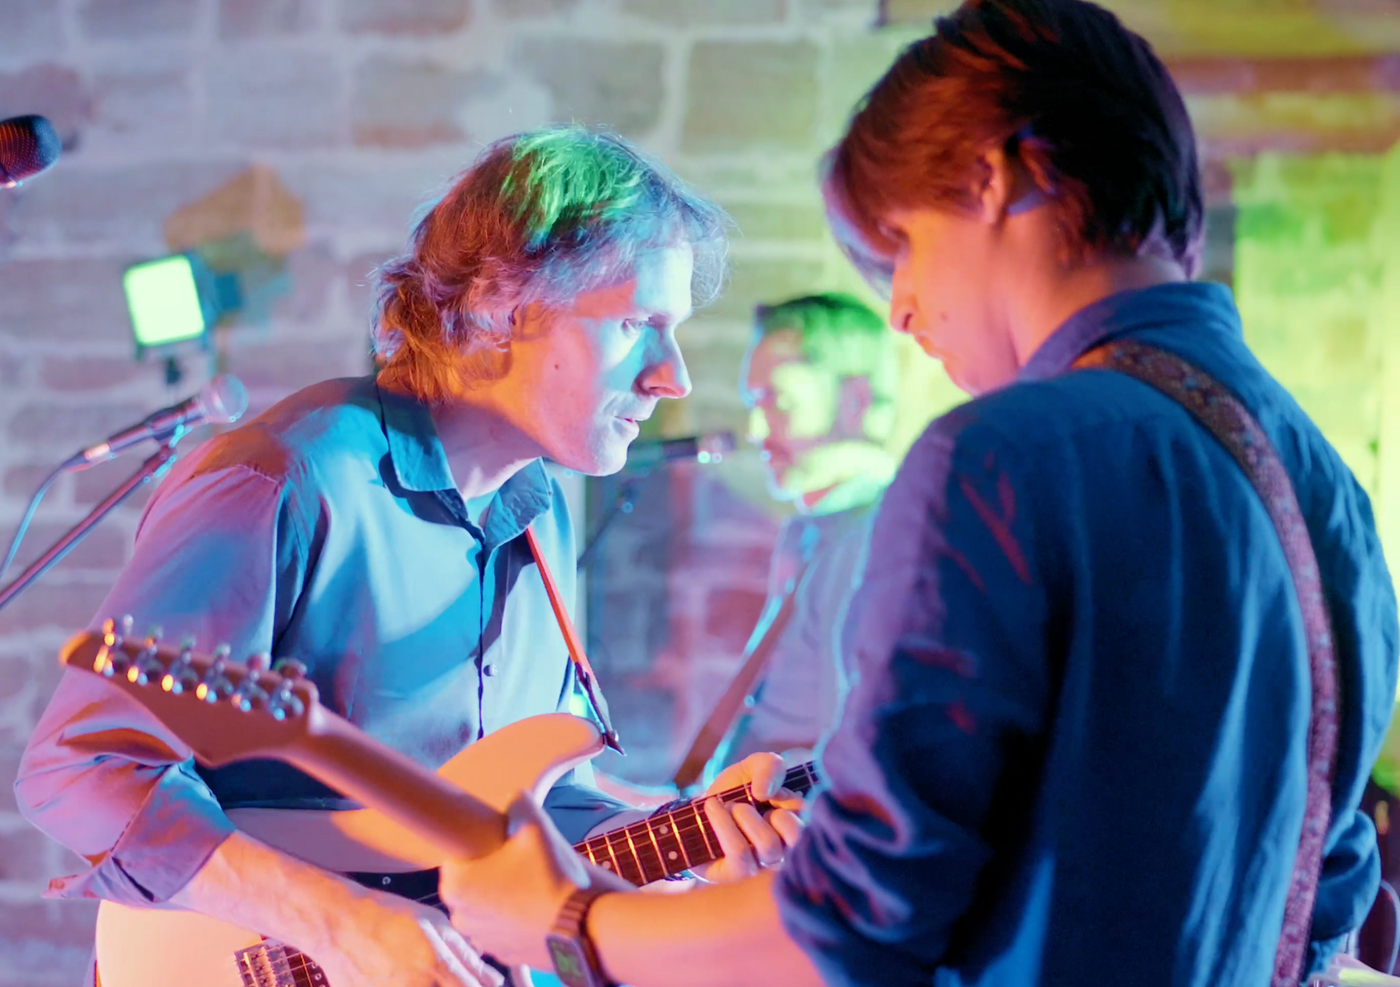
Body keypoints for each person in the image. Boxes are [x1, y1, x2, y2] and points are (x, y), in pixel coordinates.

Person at [437, 3, 1400, 986]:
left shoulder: (998, 458)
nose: (898, 307)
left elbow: (852, 929)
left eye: (898, 245)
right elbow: (1325, 900)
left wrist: (569, 922)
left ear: (995, 178)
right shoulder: (1324, 485)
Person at [15, 126, 802, 987]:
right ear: (507, 304)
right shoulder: (284, 476)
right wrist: (343, 925)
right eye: (639, 324)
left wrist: (696, 827)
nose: (673, 376)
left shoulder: (545, 515)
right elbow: (84, 766)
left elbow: (519, 813)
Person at [711, 293, 899, 771]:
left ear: (855, 400)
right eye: (754, 402)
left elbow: (848, 752)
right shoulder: (815, 528)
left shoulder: (872, 538)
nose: (755, 428)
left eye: (780, 400)